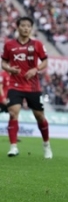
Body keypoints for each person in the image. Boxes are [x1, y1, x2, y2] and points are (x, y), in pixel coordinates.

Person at [1, 17, 51, 158]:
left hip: (33, 86)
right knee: (13, 112)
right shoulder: (9, 45)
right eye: (23, 25)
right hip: (15, 84)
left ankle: (46, 145)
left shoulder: (37, 44)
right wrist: (9, 68)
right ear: (18, 27)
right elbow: (3, 63)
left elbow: (45, 61)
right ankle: (13, 147)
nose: (26, 28)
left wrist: (36, 69)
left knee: (39, 116)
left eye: (28, 26)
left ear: (31, 28)